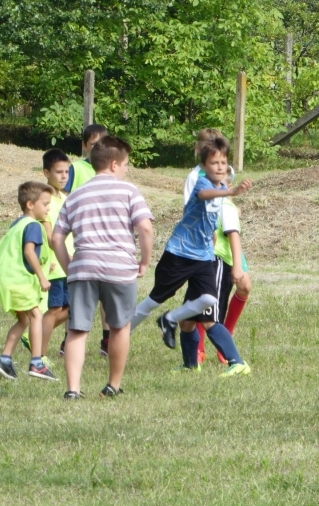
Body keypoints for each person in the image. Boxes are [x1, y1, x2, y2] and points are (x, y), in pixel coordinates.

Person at [131, 136, 253, 377]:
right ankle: (120, 335)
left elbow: (219, 224)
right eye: (214, 163)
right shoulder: (202, 184)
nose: (219, 167)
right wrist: (231, 192)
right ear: (203, 166)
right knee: (155, 299)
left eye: (223, 163)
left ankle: (171, 321)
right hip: (179, 253)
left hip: (204, 258)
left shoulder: (221, 195)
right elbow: (204, 195)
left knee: (207, 300)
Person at [51, 136, 154, 399]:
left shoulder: (75, 196)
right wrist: (144, 260)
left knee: (77, 328)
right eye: (126, 164)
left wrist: (69, 266)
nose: (126, 170)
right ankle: (112, 386)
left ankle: (72, 389)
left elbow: (56, 238)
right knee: (119, 327)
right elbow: (144, 227)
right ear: (114, 164)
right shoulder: (129, 191)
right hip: (119, 266)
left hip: (83, 267)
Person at [184, 129, 252, 364]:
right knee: (205, 302)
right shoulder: (195, 178)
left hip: (228, 242)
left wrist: (233, 209)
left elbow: (227, 205)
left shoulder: (224, 174)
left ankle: (224, 342)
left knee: (243, 287)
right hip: (212, 247)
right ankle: (202, 350)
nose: (219, 164)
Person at [0, 181, 58, 381]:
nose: (48, 208)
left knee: (24, 319)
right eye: (45, 204)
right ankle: (37, 363)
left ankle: (4, 359)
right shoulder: (33, 226)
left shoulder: (17, 224)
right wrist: (42, 276)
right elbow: (29, 252)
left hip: (6, 279)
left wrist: (46, 264)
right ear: (30, 204)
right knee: (36, 315)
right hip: (19, 280)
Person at [61, 123, 111, 357]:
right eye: (92, 145)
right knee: (78, 293)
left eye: (101, 145)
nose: (97, 150)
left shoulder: (112, 170)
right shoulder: (76, 169)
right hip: (80, 239)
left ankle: (107, 339)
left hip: (106, 238)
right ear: (83, 146)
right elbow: (64, 197)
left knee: (107, 293)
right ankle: (68, 338)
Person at [38, 149, 73, 365]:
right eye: (59, 172)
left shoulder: (67, 198)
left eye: (67, 172)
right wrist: (55, 258)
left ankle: (35, 331)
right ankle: (39, 356)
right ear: (46, 172)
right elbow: (50, 237)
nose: (63, 176)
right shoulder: (46, 199)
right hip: (56, 264)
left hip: (70, 262)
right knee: (54, 309)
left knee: (74, 307)